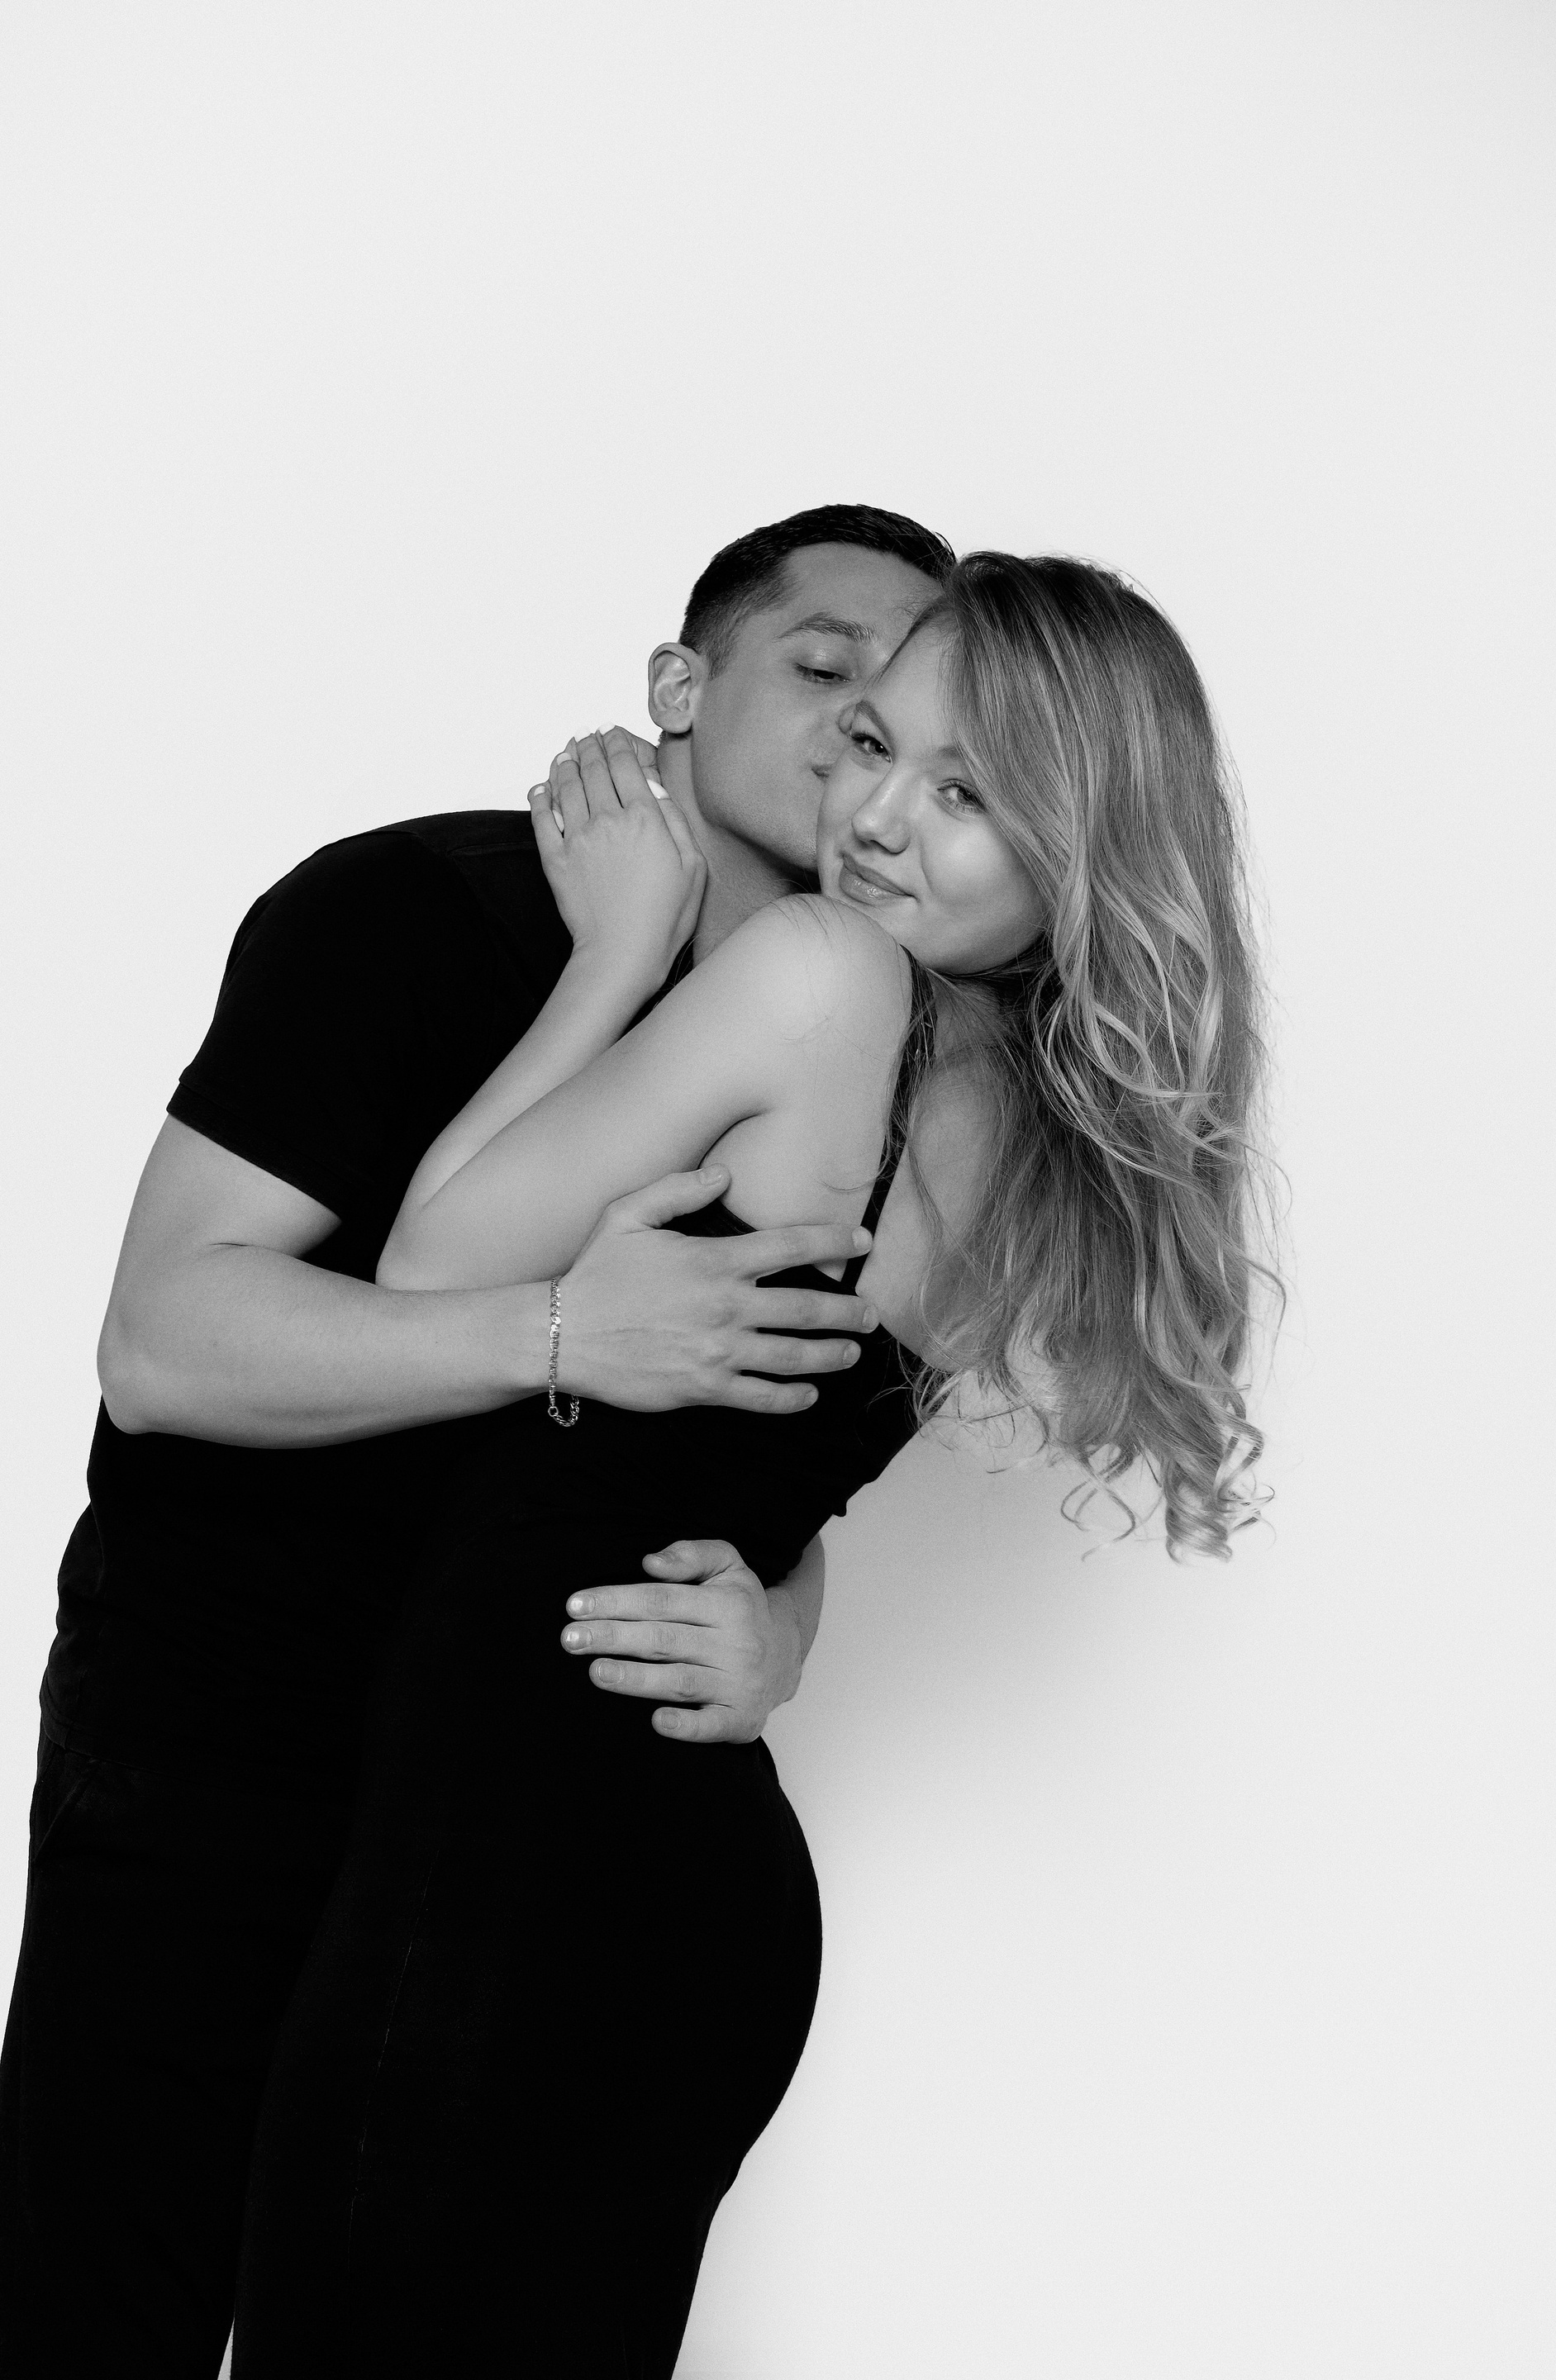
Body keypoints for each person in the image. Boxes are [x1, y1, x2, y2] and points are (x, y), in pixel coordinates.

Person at [228, 551, 1271, 2377]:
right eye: (873, 744)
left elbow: (429, 1264)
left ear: (1077, 848)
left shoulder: (814, 977)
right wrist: (787, 1611)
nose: (876, 818)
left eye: (967, 794)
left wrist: (616, 957)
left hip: (513, 1840)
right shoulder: (1039, 1132)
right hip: (698, 1890)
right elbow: (752, 1468)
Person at [0, 504, 958, 2378]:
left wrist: (779, 1623)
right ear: (678, 684)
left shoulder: (863, 1021)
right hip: (220, 1758)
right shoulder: (409, 908)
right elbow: (163, 1340)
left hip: (506, 1827)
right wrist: (556, 1332)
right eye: (825, 668)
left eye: (916, 711)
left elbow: (763, 1424)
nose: (866, 731)